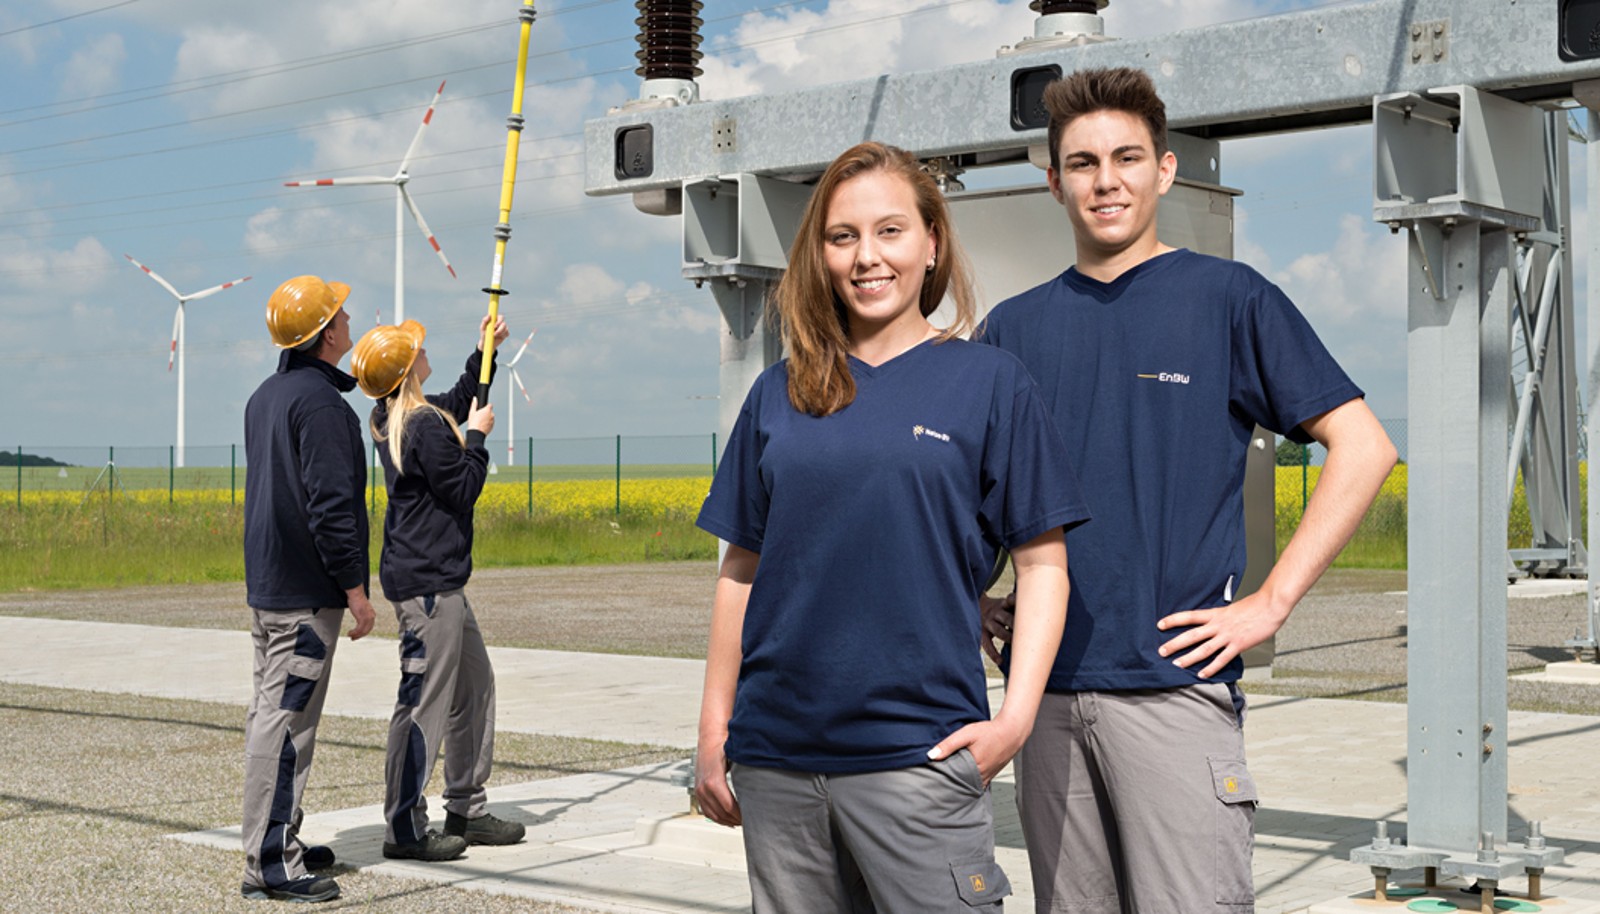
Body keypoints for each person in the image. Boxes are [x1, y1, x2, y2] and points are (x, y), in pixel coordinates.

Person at [978, 67, 1399, 913]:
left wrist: (1271, 603)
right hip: (1046, 705)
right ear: (1053, 181)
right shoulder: (1010, 329)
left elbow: (1364, 446)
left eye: (1128, 158)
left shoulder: (1228, 300)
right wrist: (970, 597)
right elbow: (976, 492)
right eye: (1084, 162)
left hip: (1174, 693)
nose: (1107, 181)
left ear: (1165, 171)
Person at [693, 141, 1089, 913]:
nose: (867, 257)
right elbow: (740, 571)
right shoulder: (778, 394)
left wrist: (1014, 721)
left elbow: (1045, 566)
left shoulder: (989, 383)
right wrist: (715, 731)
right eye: (843, 237)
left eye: (890, 232)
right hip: (777, 764)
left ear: (932, 242)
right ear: (820, 254)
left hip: (919, 759)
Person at [349, 314, 528, 862]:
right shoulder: (422, 425)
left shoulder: (395, 415)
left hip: (438, 579)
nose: (425, 351)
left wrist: (483, 355)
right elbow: (464, 487)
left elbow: (453, 398)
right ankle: (405, 826)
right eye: (418, 349)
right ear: (407, 371)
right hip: (429, 586)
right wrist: (477, 438)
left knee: (474, 687)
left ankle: (465, 808)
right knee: (424, 702)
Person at [241, 274, 377, 904]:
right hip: (306, 592)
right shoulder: (323, 407)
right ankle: (271, 864)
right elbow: (329, 506)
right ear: (326, 335)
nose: (350, 320)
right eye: (342, 313)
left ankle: (282, 838)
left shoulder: (267, 395)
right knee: (286, 727)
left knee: (275, 718)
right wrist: (355, 587)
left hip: (272, 587)